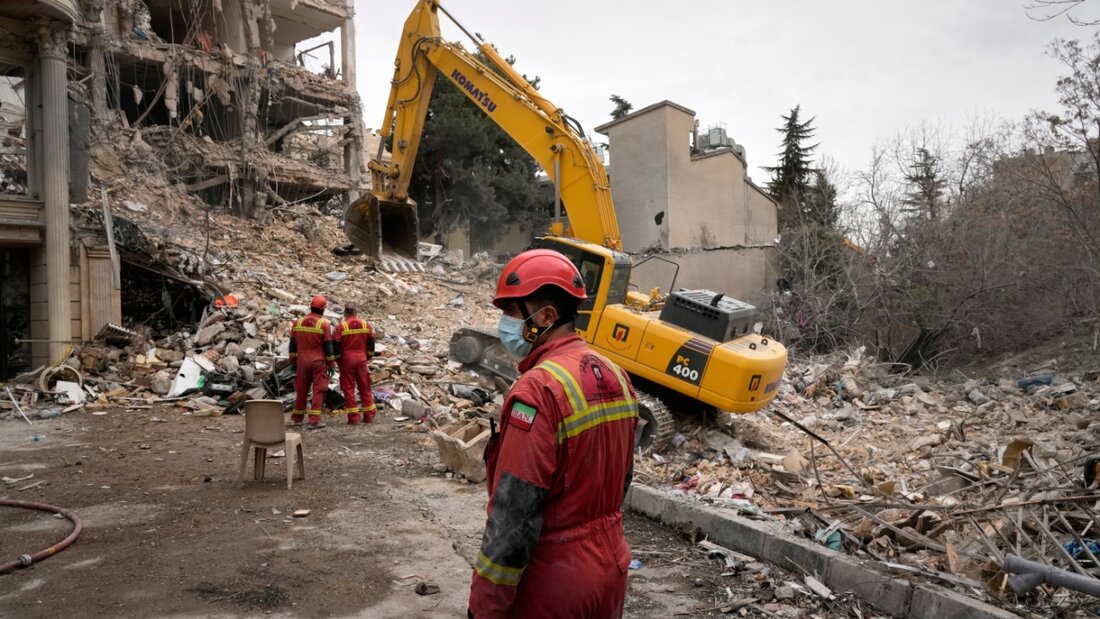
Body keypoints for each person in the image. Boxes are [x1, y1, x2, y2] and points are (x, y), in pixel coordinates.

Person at [468, 249, 639, 618]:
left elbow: (514, 515)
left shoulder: (538, 390)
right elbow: (622, 479)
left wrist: (484, 605)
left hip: (555, 583)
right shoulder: (616, 375)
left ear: (545, 316)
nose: (504, 324)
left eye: (512, 313)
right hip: (611, 566)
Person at [288, 294, 336, 429]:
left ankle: (297, 418)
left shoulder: (297, 323)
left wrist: (292, 361)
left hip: (302, 360)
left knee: (301, 389)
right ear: (323, 309)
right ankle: (314, 420)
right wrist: (331, 365)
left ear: (311, 307)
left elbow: (292, 345)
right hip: (318, 360)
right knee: (318, 389)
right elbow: (328, 347)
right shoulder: (324, 324)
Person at [333, 300, 377, 425]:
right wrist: (368, 357)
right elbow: (371, 343)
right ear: (356, 311)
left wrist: (338, 361)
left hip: (347, 360)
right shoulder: (366, 325)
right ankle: (369, 416)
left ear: (345, 312)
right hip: (362, 359)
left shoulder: (341, 326)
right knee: (365, 386)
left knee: (348, 388)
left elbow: (336, 345)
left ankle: (354, 418)